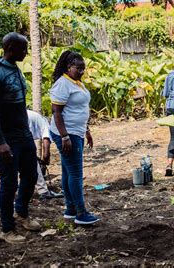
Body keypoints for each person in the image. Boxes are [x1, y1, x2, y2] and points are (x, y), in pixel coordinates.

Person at [0, 32, 41, 244]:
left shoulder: (16, 70)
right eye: (23, 49)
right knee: (8, 183)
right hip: (7, 139)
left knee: (31, 175)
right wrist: (1, 142)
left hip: (24, 135)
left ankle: (21, 213)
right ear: (11, 49)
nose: (26, 52)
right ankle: (7, 229)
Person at [50, 50, 98, 225]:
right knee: (76, 174)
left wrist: (86, 130)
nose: (82, 71)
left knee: (67, 172)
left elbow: (80, 109)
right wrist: (64, 137)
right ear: (69, 67)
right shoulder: (63, 84)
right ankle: (81, 212)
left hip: (76, 131)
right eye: (79, 68)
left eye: (84, 68)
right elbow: (56, 112)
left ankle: (70, 210)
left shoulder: (76, 83)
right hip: (67, 133)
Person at [27, 110, 63, 200]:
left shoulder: (34, 117)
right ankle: (43, 191)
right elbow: (46, 140)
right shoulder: (45, 122)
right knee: (32, 163)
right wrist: (45, 159)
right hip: (14, 137)